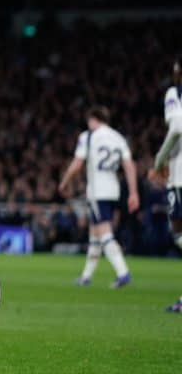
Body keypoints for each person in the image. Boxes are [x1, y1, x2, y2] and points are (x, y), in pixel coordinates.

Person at [58, 105, 139, 288]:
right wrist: (133, 192)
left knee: (104, 233)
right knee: (95, 234)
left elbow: (78, 163)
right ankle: (86, 277)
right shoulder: (118, 138)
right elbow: (129, 166)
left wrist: (64, 182)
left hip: (97, 191)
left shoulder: (88, 136)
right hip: (113, 190)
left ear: (92, 119)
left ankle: (123, 272)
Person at [147, 57, 182, 311]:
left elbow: (177, 128)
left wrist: (159, 162)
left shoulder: (174, 93)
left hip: (180, 175)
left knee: (179, 232)